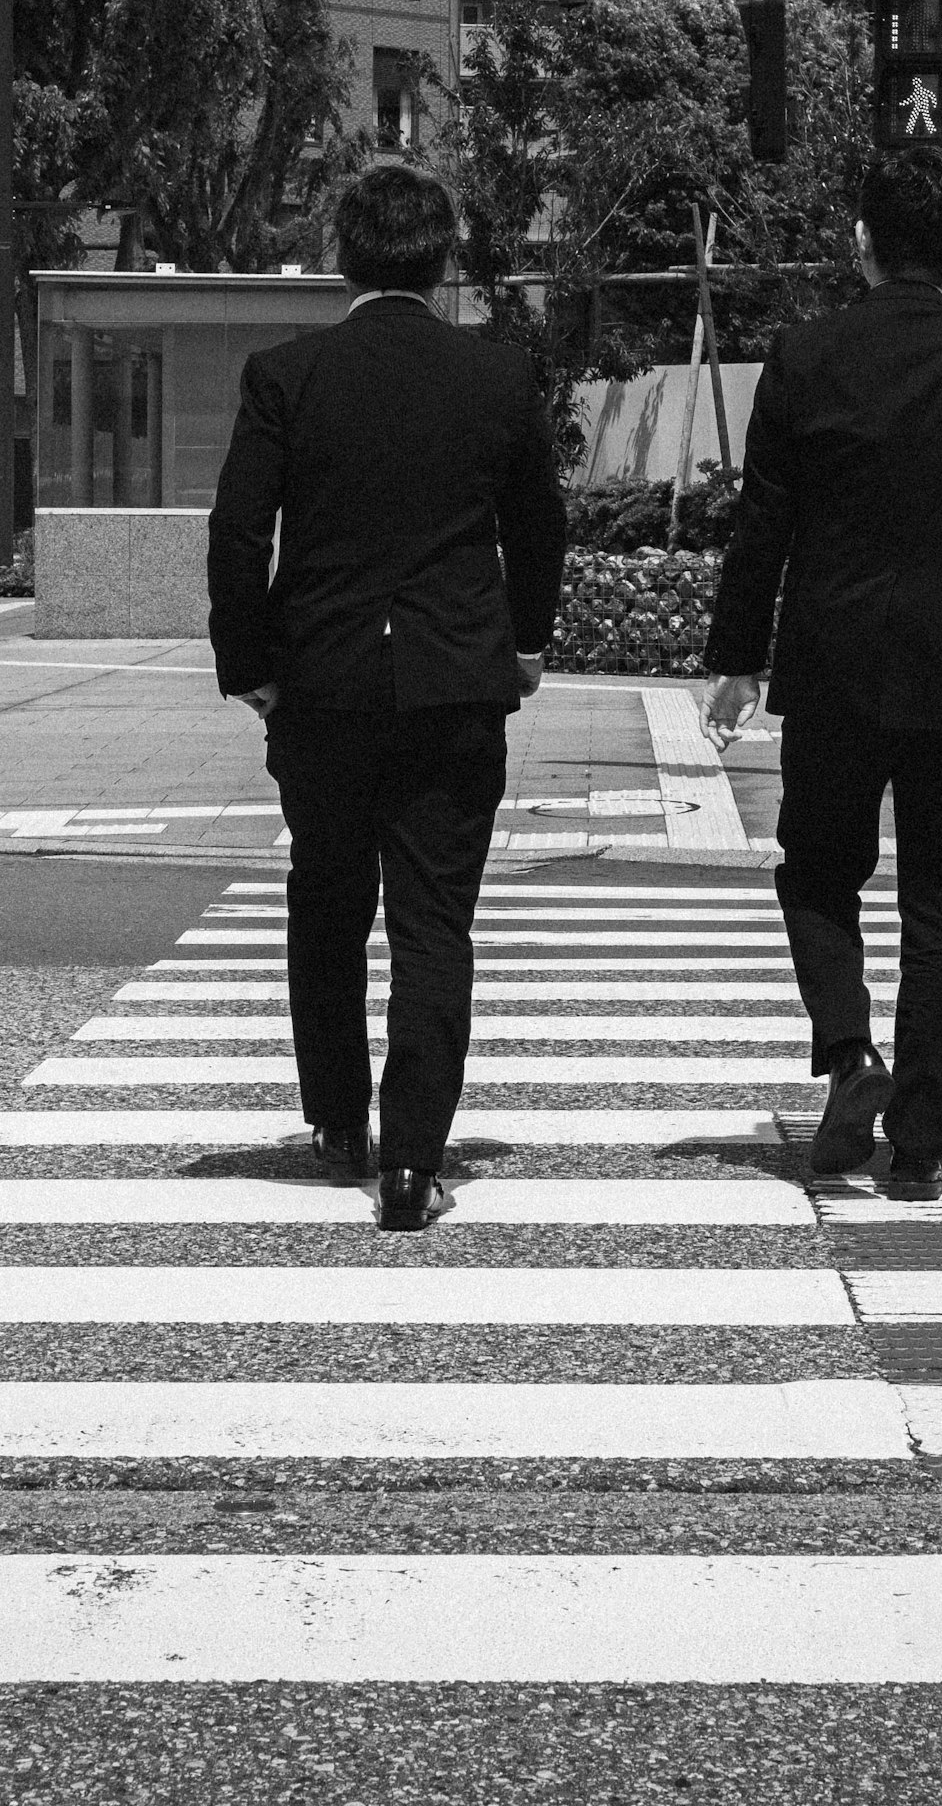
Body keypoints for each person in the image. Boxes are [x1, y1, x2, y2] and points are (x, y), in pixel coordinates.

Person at [699, 149, 942, 1200]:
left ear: (859, 239)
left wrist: (735, 660)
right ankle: (917, 1144)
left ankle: (849, 1048)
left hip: (834, 668)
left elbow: (761, 525)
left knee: (817, 870)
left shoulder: (804, 357)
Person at [207, 161, 568, 1232]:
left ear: (342, 254)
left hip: (321, 683)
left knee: (326, 900)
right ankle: (412, 1161)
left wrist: (251, 661)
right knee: (432, 919)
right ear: (444, 255)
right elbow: (538, 524)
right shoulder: (496, 376)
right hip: (456, 681)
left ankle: (335, 1121)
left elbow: (238, 530)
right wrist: (530, 641)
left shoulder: (288, 373)